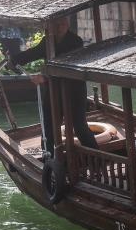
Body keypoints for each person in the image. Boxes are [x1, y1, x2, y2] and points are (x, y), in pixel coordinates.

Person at [11, 16, 98, 156]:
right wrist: (14, 60)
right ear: (51, 26)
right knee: (48, 128)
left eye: (62, 24)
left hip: (74, 91)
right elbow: (33, 53)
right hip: (53, 91)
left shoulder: (75, 41)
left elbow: (67, 67)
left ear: (67, 25)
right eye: (56, 24)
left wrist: (44, 77)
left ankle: (96, 158)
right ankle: (48, 159)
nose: (59, 27)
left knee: (80, 127)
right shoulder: (48, 41)